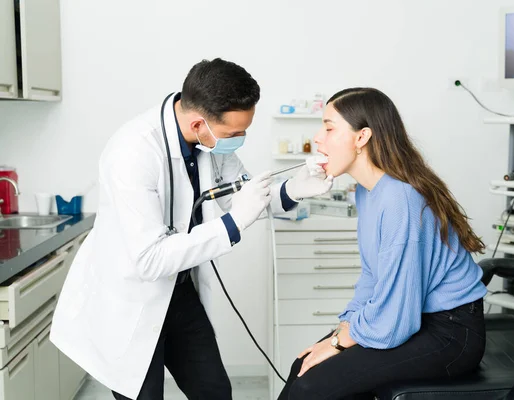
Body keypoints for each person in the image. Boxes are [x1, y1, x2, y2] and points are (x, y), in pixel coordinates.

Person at [50, 58, 333, 400]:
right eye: (234, 134)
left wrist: (293, 189)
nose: (240, 140)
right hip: (131, 299)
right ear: (199, 123)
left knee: (213, 391)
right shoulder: (133, 152)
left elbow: (241, 197)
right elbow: (150, 259)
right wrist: (232, 225)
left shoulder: (209, 142)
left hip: (179, 292)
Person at [278, 87, 488, 400]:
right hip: (414, 318)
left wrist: (339, 342)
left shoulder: (399, 198)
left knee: (313, 384)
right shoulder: (369, 190)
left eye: (329, 127)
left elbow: (395, 320)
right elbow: (373, 277)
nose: (319, 138)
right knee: (302, 365)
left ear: (361, 138)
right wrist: (344, 327)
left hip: (450, 334)